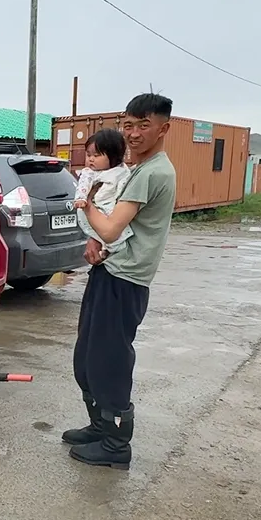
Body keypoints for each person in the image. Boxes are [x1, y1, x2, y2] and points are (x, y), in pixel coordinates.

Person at [63, 94, 178, 469]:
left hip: (126, 279)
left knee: (109, 358)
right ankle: (99, 426)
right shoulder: (135, 169)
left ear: (164, 128)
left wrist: (87, 204)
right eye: (129, 125)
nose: (134, 133)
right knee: (88, 355)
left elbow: (112, 228)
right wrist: (94, 240)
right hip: (111, 269)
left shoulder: (153, 173)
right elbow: (111, 229)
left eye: (145, 125)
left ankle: (116, 444)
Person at [72, 129, 133, 254]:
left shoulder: (122, 170)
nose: (91, 160)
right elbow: (83, 186)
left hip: (112, 207)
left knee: (117, 231)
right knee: (98, 230)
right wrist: (81, 198)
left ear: (114, 156)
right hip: (97, 206)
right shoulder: (89, 173)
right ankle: (107, 247)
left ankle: (109, 248)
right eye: (88, 155)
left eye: (96, 155)